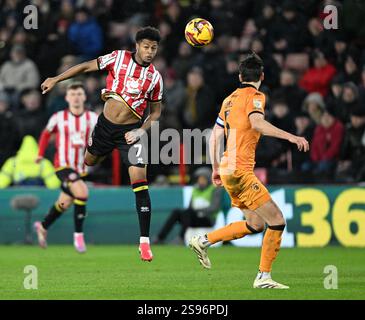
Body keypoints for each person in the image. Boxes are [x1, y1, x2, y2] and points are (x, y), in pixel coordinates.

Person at [40, 27, 163, 261]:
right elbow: (86, 66)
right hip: (104, 128)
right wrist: (56, 79)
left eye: (153, 48)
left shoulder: (155, 78)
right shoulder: (118, 58)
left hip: (131, 134)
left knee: (140, 182)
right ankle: (68, 191)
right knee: (88, 162)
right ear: (137, 46)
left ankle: (144, 242)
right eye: (146, 47)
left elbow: (156, 113)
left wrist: (140, 131)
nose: (149, 52)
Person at [189, 53, 309, 289]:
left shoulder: (228, 100)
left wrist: (215, 168)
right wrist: (292, 137)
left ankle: (203, 240)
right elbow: (257, 123)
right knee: (277, 221)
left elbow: (213, 137)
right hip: (241, 170)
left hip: (227, 168)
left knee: (255, 224)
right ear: (261, 76)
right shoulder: (256, 96)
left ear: (240, 76)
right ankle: (263, 277)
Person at [34, 82, 98, 253]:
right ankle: (78, 236)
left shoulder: (92, 118)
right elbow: (46, 133)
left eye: (79, 94)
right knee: (83, 193)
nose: (76, 97)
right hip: (62, 165)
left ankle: (43, 225)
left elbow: (101, 136)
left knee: (64, 202)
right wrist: (40, 154)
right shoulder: (59, 117)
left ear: (84, 97)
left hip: (81, 168)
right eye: (73, 94)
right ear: (67, 98)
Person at [154, 167, 221, 244]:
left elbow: (214, 208)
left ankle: (181, 238)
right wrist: (195, 211)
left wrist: (197, 211)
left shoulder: (214, 189)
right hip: (194, 217)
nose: (200, 181)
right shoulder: (195, 189)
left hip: (207, 219)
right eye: (199, 179)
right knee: (177, 212)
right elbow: (190, 207)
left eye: (203, 179)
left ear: (208, 179)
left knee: (188, 213)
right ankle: (160, 238)